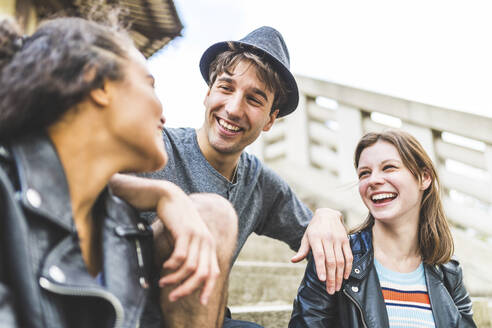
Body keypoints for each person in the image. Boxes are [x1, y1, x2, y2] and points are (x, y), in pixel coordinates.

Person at [0, 14, 236, 328]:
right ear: (97, 82)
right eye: (149, 85)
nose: (163, 113)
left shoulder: (120, 227)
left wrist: (165, 192)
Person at [110, 26, 352, 327]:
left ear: (270, 120)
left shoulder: (259, 183)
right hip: (130, 310)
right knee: (210, 213)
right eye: (226, 88)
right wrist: (164, 198)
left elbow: (318, 240)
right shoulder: (156, 148)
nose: (234, 109)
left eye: (254, 99)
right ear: (208, 93)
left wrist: (327, 215)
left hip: (208, 315)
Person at [289, 130, 476, 327]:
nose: (373, 180)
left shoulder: (448, 273)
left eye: (389, 168)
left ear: (424, 177)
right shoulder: (337, 256)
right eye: (364, 173)